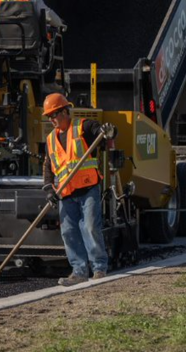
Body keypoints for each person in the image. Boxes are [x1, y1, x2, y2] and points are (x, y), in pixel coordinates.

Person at [41, 93, 115, 286]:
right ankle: (79, 271)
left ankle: (99, 268)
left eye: (54, 115)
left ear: (65, 111)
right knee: (69, 232)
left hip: (88, 188)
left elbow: (102, 132)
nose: (52, 120)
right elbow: (48, 166)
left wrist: (108, 132)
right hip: (65, 193)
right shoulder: (50, 139)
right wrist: (49, 189)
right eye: (49, 117)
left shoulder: (84, 127)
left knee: (90, 227)